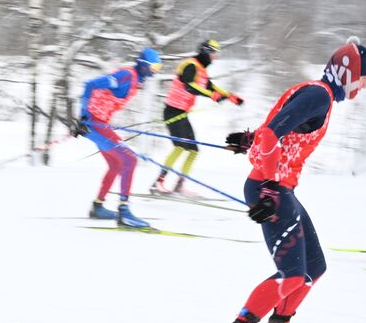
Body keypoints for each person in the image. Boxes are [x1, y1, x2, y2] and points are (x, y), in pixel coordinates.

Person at [210, 37, 366, 323]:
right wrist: (270, 186)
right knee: (292, 274)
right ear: (347, 73)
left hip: (281, 188)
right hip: (270, 189)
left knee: (314, 267)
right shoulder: (319, 95)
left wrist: (249, 140)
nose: (364, 86)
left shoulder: (318, 95)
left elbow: (277, 130)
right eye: (362, 78)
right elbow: (273, 133)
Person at [72, 47, 164, 229]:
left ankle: (98, 207)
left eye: (158, 69)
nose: (154, 72)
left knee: (117, 164)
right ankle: (124, 212)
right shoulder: (126, 76)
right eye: (153, 67)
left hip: (100, 123)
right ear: (143, 64)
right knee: (130, 159)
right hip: (93, 123)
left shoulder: (135, 80)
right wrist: (83, 116)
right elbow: (91, 84)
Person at [153, 38, 243, 196]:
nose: (216, 57)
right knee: (180, 147)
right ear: (206, 52)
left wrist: (230, 96)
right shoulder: (190, 65)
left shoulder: (201, 70)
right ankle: (158, 183)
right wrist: (212, 96)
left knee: (193, 150)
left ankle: (179, 185)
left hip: (182, 113)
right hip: (172, 111)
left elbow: (211, 87)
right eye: (214, 53)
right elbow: (190, 86)